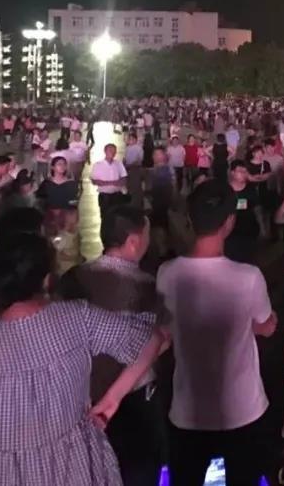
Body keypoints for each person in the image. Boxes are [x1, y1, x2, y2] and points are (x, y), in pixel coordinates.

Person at [0, 233, 163, 486]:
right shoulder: (77, 318)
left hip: (3, 474)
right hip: (76, 466)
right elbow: (151, 339)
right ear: (46, 279)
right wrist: (112, 399)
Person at [157, 181, 278, 486]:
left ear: (190, 219)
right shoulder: (248, 277)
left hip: (188, 411)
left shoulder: (168, 273)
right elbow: (266, 326)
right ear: (229, 222)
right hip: (242, 410)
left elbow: (166, 329)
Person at [57, 206, 168, 486]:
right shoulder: (147, 286)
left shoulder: (73, 278)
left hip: (84, 397)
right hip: (135, 401)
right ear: (133, 242)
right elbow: (161, 340)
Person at [90, 143, 128, 215]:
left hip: (117, 195)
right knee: (105, 216)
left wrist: (118, 182)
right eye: (110, 150)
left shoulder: (118, 164)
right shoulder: (98, 165)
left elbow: (124, 178)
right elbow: (94, 181)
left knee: (117, 215)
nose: (112, 153)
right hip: (104, 196)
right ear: (105, 151)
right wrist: (113, 183)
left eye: (114, 151)